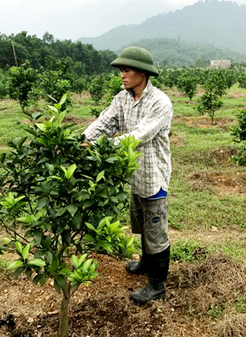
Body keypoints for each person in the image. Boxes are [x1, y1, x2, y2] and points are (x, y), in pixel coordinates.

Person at [83, 46, 173, 305]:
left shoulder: (160, 103)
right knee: (142, 222)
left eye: (127, 69)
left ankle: (157, 285)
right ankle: (145, 262)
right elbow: (104, 123)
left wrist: (99, 147)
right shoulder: (122, 98)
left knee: (156, 230)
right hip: (132, 174)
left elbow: (139, 136)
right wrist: (82, 140)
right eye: (121, 70)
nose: (122, 74)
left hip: (152, 175)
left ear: (143, 72)